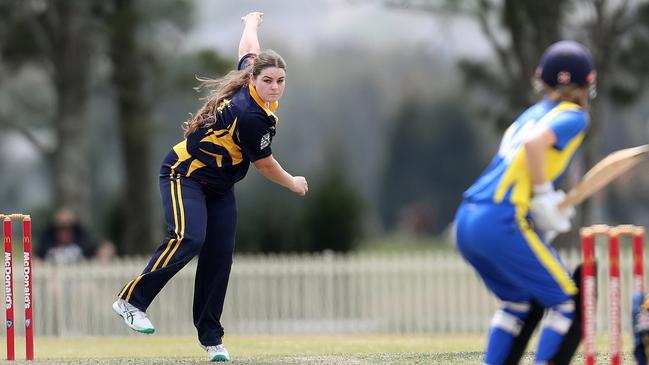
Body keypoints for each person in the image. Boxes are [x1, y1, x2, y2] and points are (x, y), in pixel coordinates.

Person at [112, 11, 308, 362]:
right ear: (253, 79)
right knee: (190, 238)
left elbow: (250, 49)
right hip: (182, 174)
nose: (275, 87)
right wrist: (293, 183)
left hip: (218, 186)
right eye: (268, 81)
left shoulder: (254, 81)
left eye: (280, 80)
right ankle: (131, 301)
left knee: (218, 257)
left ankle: (212, 340)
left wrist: (250, 24)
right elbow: (264, 164)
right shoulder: (250, 115)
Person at [454, 40, 596, 365]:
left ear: (542, 79)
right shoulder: (575, 116)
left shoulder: (529, 114)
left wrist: (536, 208)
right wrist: (546, 195)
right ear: (587, 82)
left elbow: (516, 162)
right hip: (499, 218)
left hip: (468, 217)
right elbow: (534, 146)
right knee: (568, 304)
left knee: (516, 302)